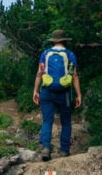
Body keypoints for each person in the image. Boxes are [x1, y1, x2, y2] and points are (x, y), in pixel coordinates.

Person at [32, 29, 82, 161]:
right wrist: (78, 95)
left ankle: (46, 148)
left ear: (53, 40)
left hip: (47, 91)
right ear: (64, 40)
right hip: (64, 92)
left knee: (47, 121)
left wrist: (36, 91)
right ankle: (64, 151)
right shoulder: (70, 54)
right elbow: (74, 75)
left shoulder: (45, 53)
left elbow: (40, 73)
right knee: (66, 122)